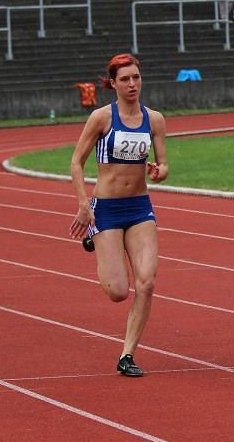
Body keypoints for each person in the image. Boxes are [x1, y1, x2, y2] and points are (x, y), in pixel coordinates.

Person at [69, 54, 169, 377]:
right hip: (107, 209)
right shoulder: (102, 118)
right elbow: (76, 162)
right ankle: (95, 239)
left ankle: (127, 354)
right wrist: (84, 204)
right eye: (125, 79)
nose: (132, 84)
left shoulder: (154, 120)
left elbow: (164, 165)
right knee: (117, 291)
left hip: (140, 208)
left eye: (136, 78)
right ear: (113, 83)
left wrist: (159, 171)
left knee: (147, 282)